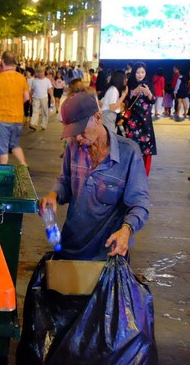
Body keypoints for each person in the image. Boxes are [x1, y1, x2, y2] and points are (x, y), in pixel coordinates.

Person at [40, 92, 150, 260]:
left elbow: (140, 204)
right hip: (71, 248)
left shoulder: (129, 152)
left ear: (98, 118)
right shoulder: (73, 146)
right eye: (73, 132)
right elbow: (65, 181)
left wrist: (126, 230)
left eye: (81, 131)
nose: (77, 137)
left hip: (106, 253)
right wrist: (54, 194)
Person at [0, 51, 30, 165]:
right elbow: (27, 97)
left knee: (2, 148)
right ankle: (24, 165)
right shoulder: (21, 78)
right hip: (18, 118)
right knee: (15, 144)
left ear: (2, 61)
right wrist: (17, 103)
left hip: (3, 118)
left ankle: (3, 170)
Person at [123, 63, 157, 176]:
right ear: (134, 73)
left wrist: (149, 94)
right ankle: (132, 173)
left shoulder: (149, 84)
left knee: (147, 148)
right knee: (132, 147)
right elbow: (125, 99)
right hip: (133, 121)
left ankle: (144, 175)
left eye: (142, 72)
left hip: (146, 122)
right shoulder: (130, 83)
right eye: (138, 72)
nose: (140, 75)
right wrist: (134, 92)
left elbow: (153, 100)